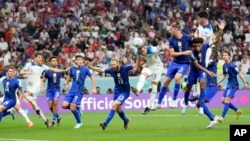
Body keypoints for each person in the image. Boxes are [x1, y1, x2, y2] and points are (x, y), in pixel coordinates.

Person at [182, 20, 226, 116]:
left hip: (201, 71)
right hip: (194, 71)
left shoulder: (205, 46)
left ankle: (201, 107)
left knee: (202, 84)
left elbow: (216, 40)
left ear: (202, 45)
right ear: (193, 46)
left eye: (199, 45)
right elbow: (197, 65)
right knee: (188, 87)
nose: (198, 47)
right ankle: (185, 104)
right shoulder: (192, 52)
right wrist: (208, 72)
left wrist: (220, 30)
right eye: (196, 46)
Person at [20, 53, 67, 128]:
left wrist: (64, 70)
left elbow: (53, 69)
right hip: (29, 86)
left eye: (41, 58)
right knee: (34, 104)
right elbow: (21, 72)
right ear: (35, 58)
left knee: (26, 95)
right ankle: (46, 119)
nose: (40, 59)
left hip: (37, 86)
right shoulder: (29, 65)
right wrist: (26, 72)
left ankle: (35, 115)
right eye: (38, 57)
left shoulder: (44, 66)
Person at [153, 21, 193, 109]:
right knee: (166, 82)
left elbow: (195, 45)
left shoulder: (187, 38)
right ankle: (159, 103)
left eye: (171, 29)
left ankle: (174, 100)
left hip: (184, 63)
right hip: (175, 63)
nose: (169, 31)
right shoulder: (171, 40)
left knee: (177, 78)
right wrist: (184, 52)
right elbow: (172, 54)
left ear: (176, 29)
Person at [87, 58, 132, 130]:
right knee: (118, 109)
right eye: (111, 65)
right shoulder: (111, 70)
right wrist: (91, 67)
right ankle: (126, 120)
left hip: (124, 92)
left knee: (114, 105)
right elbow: (101, 70)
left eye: (114, 64)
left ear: (118, 63)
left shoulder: (125, 68)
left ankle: (105, 124)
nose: (113, 66)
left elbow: (135, 65)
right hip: (117, 91)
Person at [130, 37, 167, 114]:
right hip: (149, 66)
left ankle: (149, 107)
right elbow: (138, 58)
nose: (141, 52)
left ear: (144, 47)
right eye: (140, 50)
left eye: (142, 50)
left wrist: (165, 48)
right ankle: (137, 90)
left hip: (157, 67)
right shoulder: (138, 52)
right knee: (143, 75)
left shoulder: (152, 49)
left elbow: (163, 47)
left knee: (154, 86)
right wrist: (136, 66)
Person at [62, 55, 96, 129]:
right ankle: (78, 108)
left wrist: (93, 88)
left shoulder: (85, 69)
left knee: (72, 107)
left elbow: (92, 78)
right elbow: (69, 77)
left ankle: (79, 122)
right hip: (71, 91)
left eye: (81, 59)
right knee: (64, 105)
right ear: (76, 61)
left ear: (83, 61)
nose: (80, 61)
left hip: (79, 91)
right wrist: (66, 81)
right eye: (78, 59)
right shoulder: (72, 69)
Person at [217, 50, 248, 122]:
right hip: (228, 84)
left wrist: (245, 83)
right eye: (223, 55)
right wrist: (217, 82)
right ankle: (237, 110)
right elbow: (224, 75)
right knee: (223, 101)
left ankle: (222, 117)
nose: (224, 56)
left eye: (226, 55)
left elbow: (240, 74)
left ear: (229, 57)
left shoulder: (232, 65)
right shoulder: (224, 65)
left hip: (234, 85)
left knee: (227, 100)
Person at [190, 10, 214, 101]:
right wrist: (195, 36)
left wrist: (195, 37)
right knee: (196, 69)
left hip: (206, 50)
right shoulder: (201, 26)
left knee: (201, 69)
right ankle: (196, 93)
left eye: (199, 18)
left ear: (203, 18)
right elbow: (195, 33)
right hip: (199, 50)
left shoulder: (207, 29)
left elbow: (200, 41)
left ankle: (199, 93)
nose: (198, 20)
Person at [41, 57, 63, 127]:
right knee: (50, 106)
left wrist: (67, 83)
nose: (55, 62)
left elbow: (67, 77)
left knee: (55, 102)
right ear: (50, 62)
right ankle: (58, 116)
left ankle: (53, 119)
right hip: (49, 90)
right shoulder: (47, 71)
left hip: (57, 89)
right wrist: (42, 87)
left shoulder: (59, 71)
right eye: (53, 61)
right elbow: (43, 80)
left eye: (56, 61)